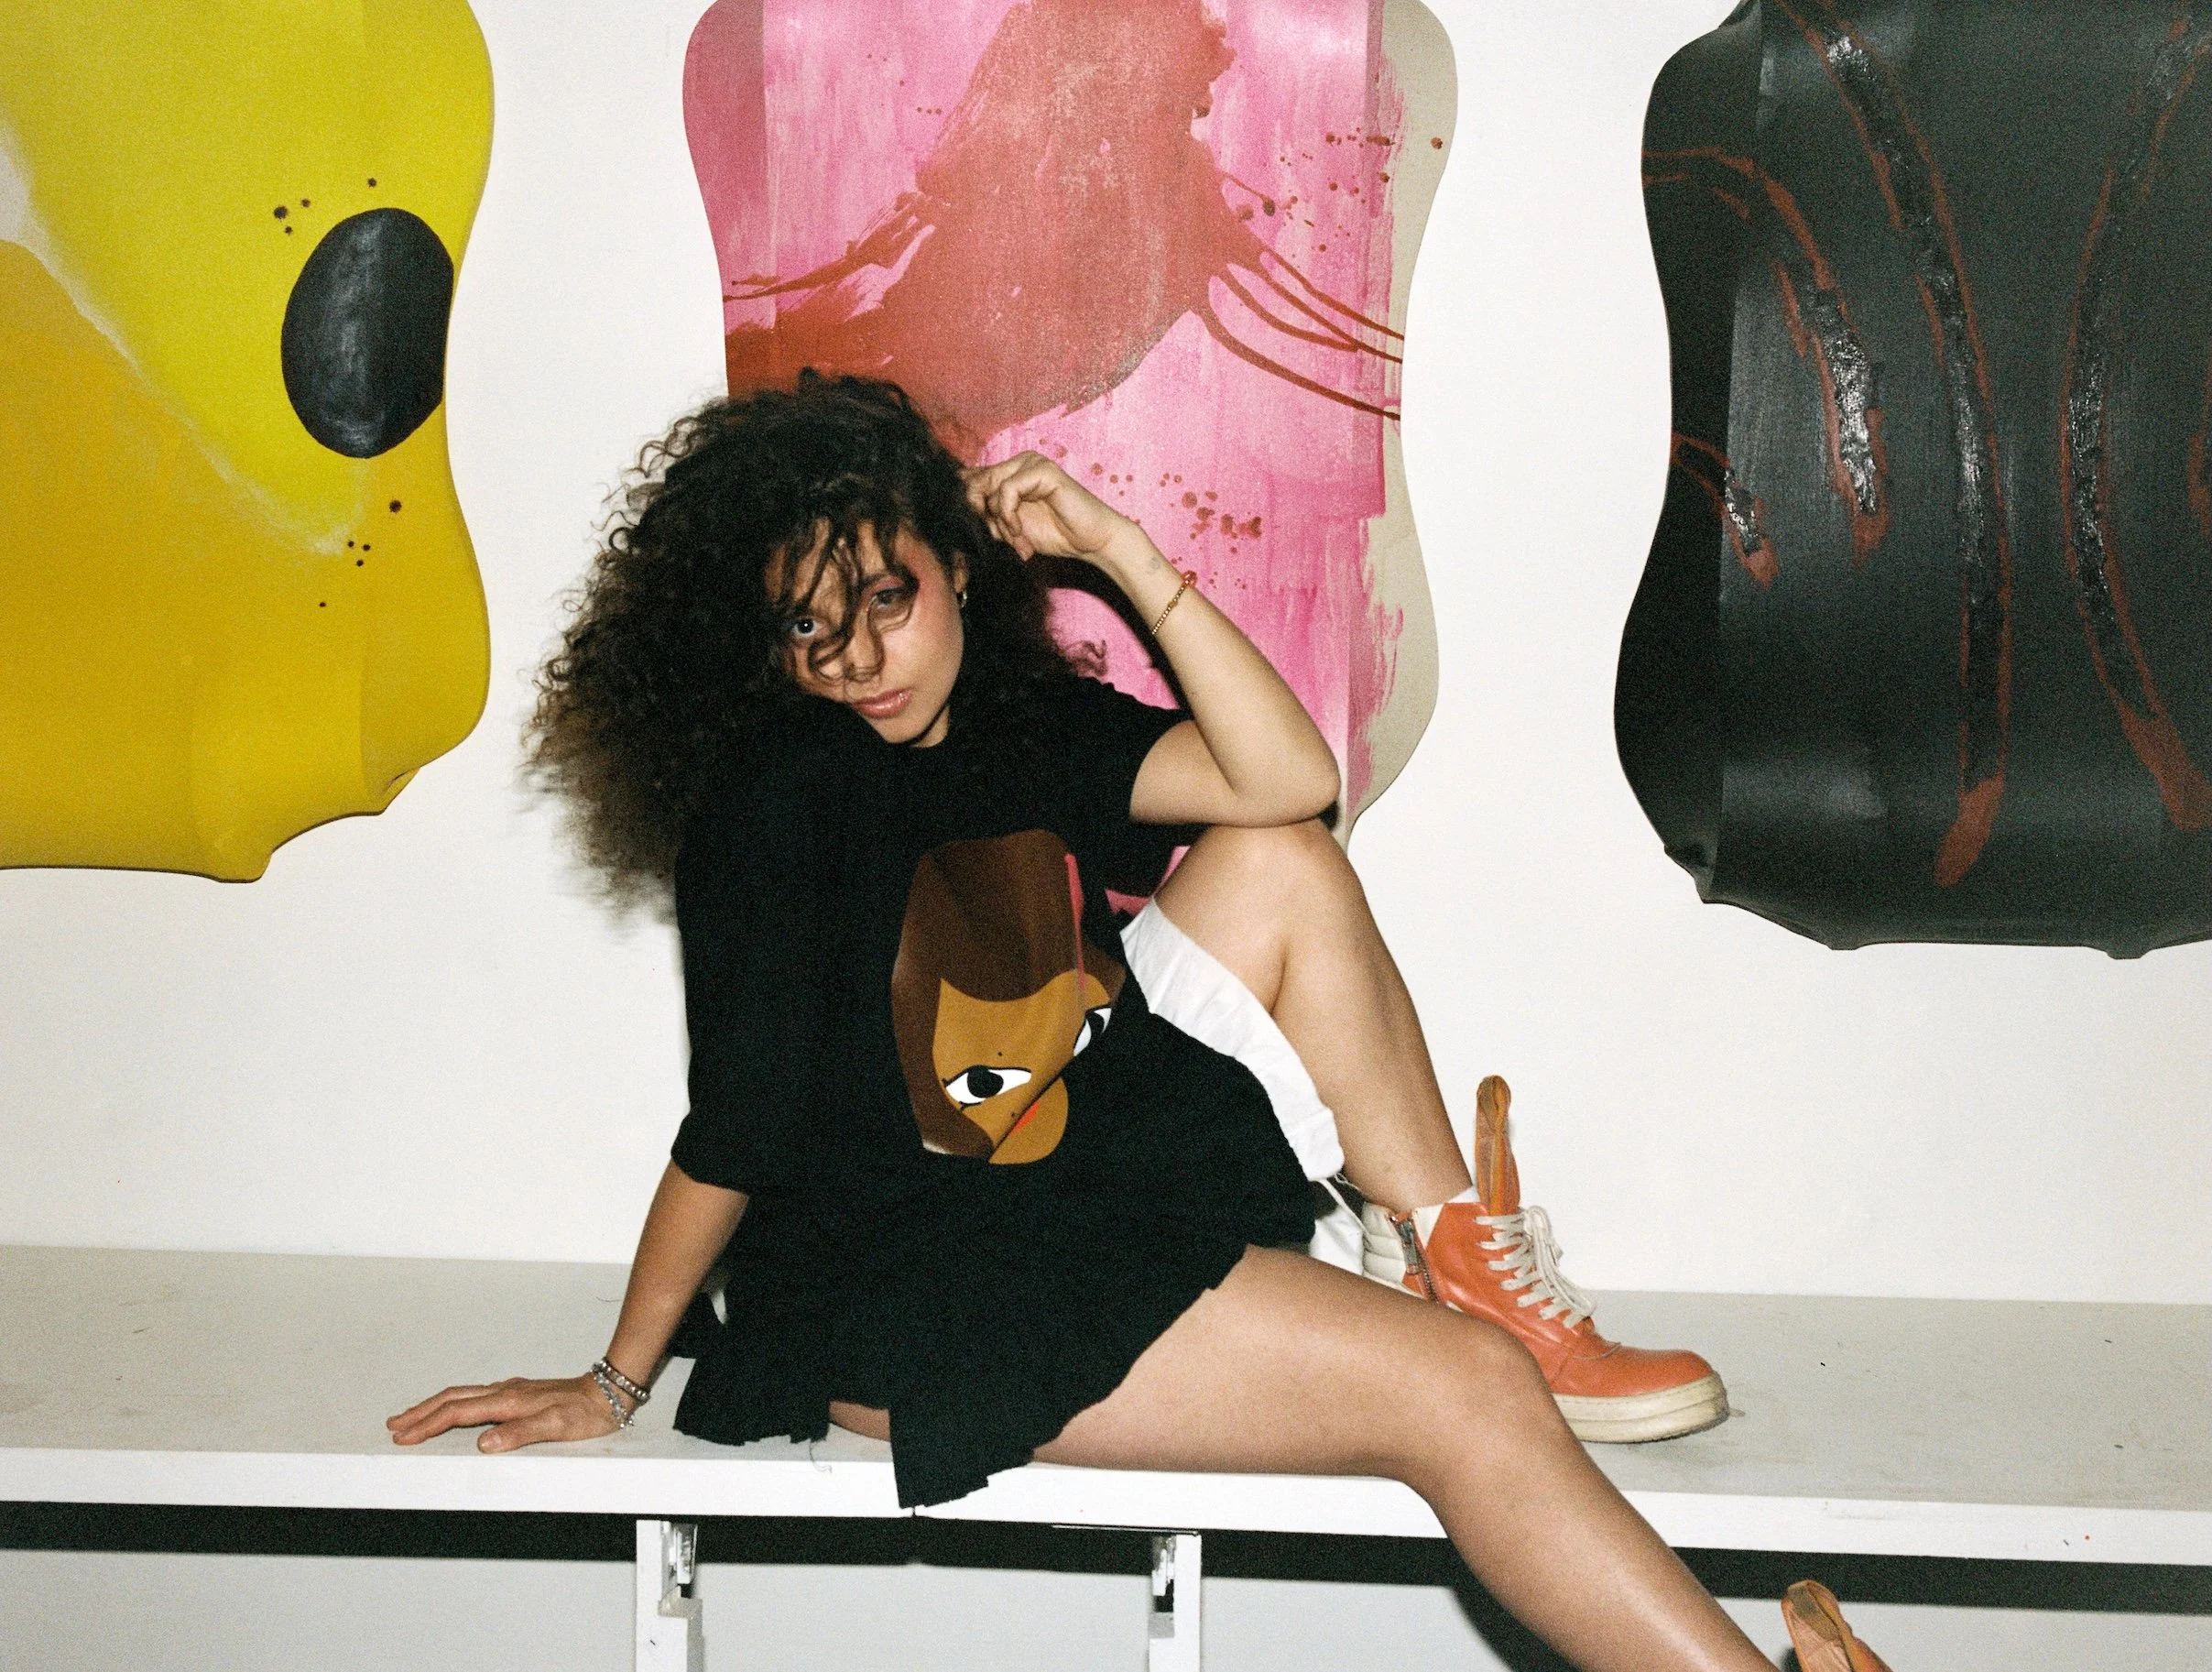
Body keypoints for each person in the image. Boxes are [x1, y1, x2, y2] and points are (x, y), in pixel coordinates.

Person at [388, 373, 1890, 1672]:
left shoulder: (1018, 721)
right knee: (1466, 1400)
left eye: (887, 598)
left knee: (1283, 863)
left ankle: (1455, 1261)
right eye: (808, 627)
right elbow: (739, 1125)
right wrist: (615, 1378)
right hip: (913, 1273)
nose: (857, 660)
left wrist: (1120, 552)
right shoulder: (779, 798)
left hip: (1055, 1160)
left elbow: (1286, 782)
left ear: (958, 565)